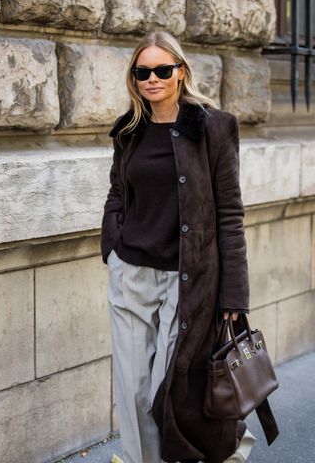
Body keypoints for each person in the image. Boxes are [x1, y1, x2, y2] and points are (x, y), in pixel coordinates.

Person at [101, 31, 255, 463]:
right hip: (131, 273)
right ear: (135, 78)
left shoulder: (213, 127)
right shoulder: (129, 129)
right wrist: (112, 245)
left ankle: (221, 447)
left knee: (165, 389)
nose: (152, 79)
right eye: (143, 71)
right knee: (131, 389)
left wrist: (234, 293)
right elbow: (117, 193)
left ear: (180, 71)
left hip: (187, 282)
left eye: (162, 70)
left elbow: (230, 214)